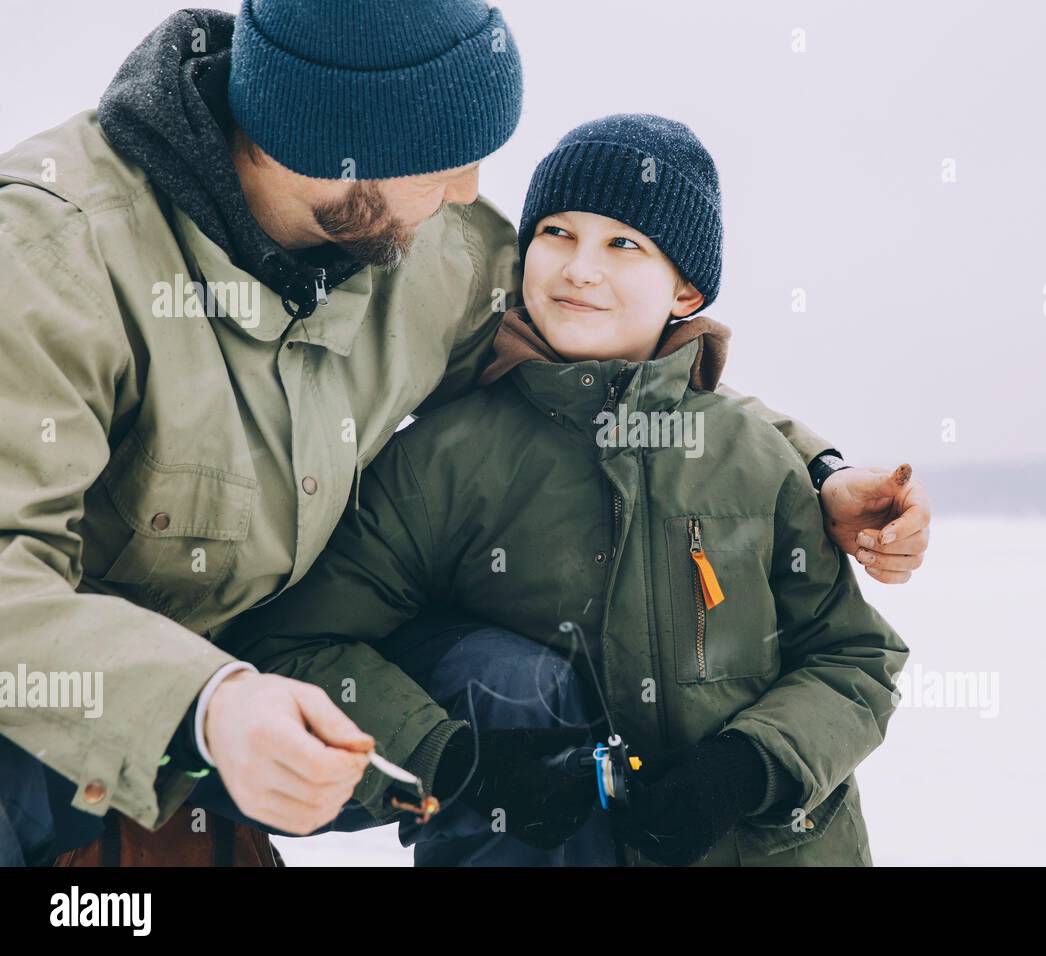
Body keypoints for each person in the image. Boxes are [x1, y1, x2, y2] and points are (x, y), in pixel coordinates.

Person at [0, 0, 929, 868]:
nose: (471, 193)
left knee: (514, 682)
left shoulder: (426, 241)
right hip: (78, 707)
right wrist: (208, 705)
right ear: (337, 143)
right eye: (443, 157)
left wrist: (818, 470)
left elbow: (621, 385)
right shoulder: (53, 257)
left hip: (272, 686)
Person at [223, 114, 911, 866]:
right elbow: (297, 644)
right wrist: (451, 757)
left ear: (685, 287)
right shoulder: (445, 460)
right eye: (556, 233)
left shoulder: (755, 455)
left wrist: (746, 769)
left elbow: (853, 659)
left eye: (624, 244)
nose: (580, 268)